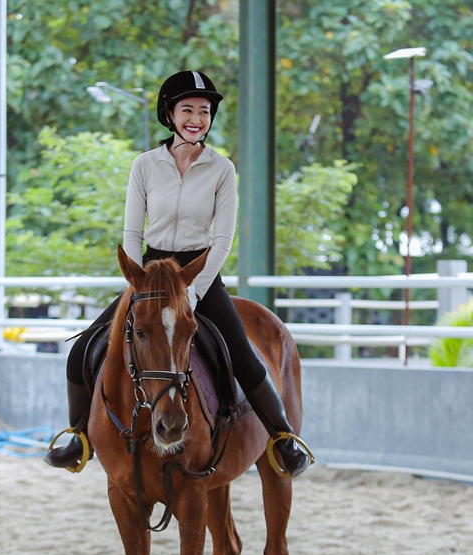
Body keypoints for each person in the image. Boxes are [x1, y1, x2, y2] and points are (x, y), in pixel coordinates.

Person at [45, 70, 312, 477]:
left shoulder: (222, 169)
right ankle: (78, 437)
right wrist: (138, 280)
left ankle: (282, 437)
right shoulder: (145, 165)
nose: (196, 118)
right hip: (151, 275)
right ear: (169, 114)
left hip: (198, 271)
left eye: (204, 111)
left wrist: (195, 292)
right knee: (84, 350)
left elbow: (223, 239)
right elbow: (132, 231)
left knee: (243, 355)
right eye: (187, 109)